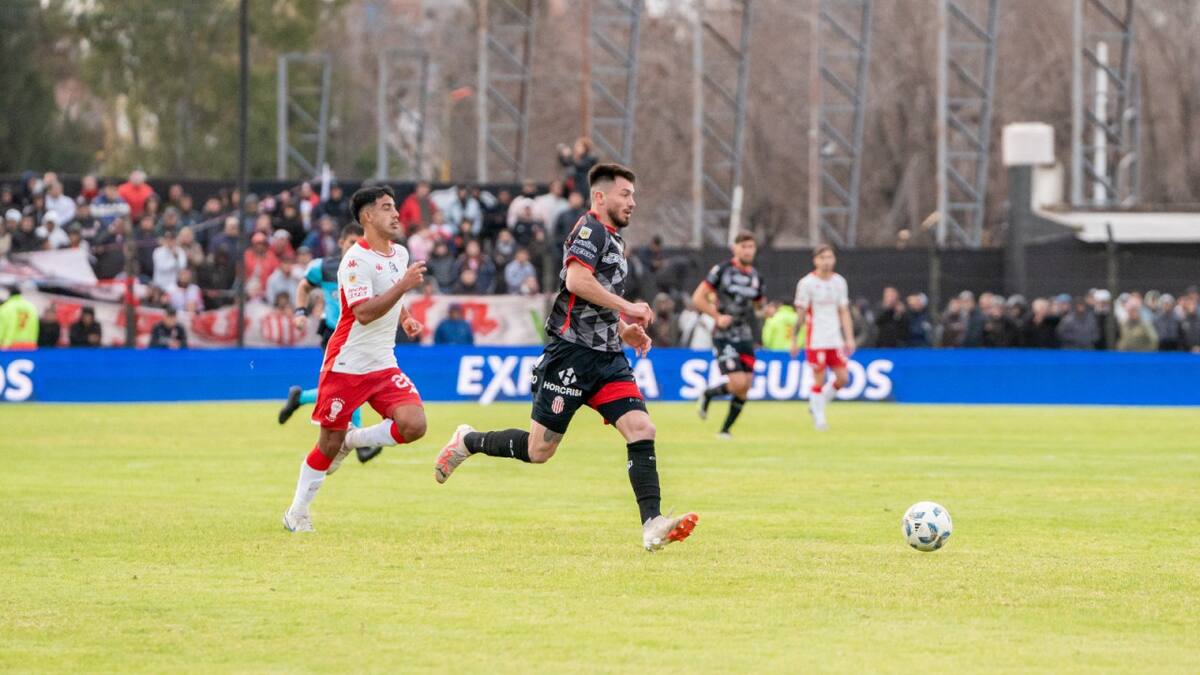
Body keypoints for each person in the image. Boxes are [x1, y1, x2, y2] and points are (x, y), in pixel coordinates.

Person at [433, 163, 699, 553]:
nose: (632, 202)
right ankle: (468, 441)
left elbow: (589, 300)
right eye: (625, 194)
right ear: (600, 196)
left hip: (607, 359)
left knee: (642, 428)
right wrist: (628, 307)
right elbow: (576, 280)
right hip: (570, 357)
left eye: (633, 195)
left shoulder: (614, 240)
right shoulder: (590, 230)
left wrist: (621, 328)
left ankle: (652, 524)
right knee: (538, 450)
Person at [282, 186, 428, 533]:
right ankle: (296, 513)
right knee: (327, 445)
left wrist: (405, 316)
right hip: (346, 364)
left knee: (414, 425)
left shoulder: (400, 254)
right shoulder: (354, 261)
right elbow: (362, 312)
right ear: (368, 216)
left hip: (383, 363)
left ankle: (354, 440)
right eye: (387, 208)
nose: (396, 214)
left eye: (395, 207)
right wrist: (404, 286)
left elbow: (388, 291)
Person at [276, 224, 383, 465]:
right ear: (341, 243)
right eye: (352, 242)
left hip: (359, 335)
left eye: (361, 243)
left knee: (345, 387)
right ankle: (361, 444)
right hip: (334, 334)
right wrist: (300, 312)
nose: (356, 247)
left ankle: (301, 398)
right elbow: (304, 286)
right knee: (351, 384)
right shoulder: (324, 267)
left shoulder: (369, 268)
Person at [692, 232, 764, 438]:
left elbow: (758, 307)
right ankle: (708, 395)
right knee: (738, 383)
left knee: (745, 387)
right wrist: (717, 316)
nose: (748, 251)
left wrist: (765, 311)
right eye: (744, 246)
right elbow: (698, 298)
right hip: (724, 335)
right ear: (735, 248)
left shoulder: (756, 277)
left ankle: (724, 430)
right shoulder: (721, 270)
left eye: (751, 247)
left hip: (745, 336)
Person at [790, 246, 855, 431]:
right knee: (819, 379)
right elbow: (800, 314)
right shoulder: (807, 283)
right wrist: (794, 340)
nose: (827, 261)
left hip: (835, 339)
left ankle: (816, 404)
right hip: (816, 339)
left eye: (830, 257)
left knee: (843, 378)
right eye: (823, 257)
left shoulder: (839, 282)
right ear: (815, 260)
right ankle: (820, 419)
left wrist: (849, 337)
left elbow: (844, 311)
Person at [0, 285, 39, 349]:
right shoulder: (31, 307)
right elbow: (35, 327)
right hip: (30, 345)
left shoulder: (5, 308)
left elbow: (1, 328)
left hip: (10, 346)